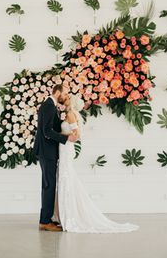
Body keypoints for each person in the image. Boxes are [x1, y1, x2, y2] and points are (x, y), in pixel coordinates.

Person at [54, 94, 140, 233]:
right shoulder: (71, 113)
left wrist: (58, 136)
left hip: (66, 147)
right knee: (65, 176)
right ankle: (65, 214)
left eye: (69, 98)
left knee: (65, 176)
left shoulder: (70, 114)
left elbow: (76, 136)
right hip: (64, 147)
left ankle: (69, 215)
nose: (66, 99)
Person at [33, 84, 78, 232]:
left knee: (49, 184)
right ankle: (45, 221)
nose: (65, 96)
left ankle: (47, 218)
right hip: (47, 151)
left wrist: (68, 127)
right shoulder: (49, 106)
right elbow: (47, 131)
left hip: (48, 151)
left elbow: (54, 126)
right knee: (49, 185)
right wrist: (66, 139)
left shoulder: (52, 106)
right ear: (57, 92)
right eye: (65, 93)